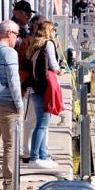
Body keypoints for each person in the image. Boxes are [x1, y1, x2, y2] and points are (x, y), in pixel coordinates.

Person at [0, 20, 32, 190]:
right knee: (10, 145)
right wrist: (19, 106)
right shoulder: (9, 53)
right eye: (16, 34)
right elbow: (14, 82)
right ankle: (10, 186)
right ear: (9, 33)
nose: (17, 38)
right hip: (6, 105)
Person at [26, 21, 62, 169]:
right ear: (49, 30)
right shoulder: (48, 44)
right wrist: (60, 70)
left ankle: (43, 155)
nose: (54, 32)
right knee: (42, 124)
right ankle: (35, 158)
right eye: (53, 30)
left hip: (35, 88)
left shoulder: (34, 45)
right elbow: (53, 65)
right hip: (45, 88)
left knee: (41, 122)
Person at [19, 15, 47, 163]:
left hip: (33, 84)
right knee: (31, 120)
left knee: (36, 120)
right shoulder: (29, 42)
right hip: (30, 85)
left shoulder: (34, 42)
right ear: (36, 26)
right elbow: (24, 65)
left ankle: (33, 150)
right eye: (43, 25)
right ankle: (28, 151)